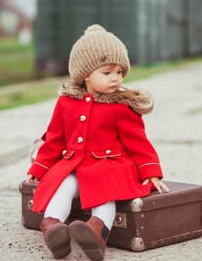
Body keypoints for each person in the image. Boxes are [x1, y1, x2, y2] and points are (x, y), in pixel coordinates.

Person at [27, 24, 169, 261]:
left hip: (110, 165)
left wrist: (151, 171)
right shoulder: (65, 104)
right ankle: (52, 227)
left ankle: (96, 231)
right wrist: (38, 168)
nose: (116, 78)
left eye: (120, 72)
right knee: (63, 186)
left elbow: (139, 143)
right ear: (85, 74)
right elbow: (54, 140)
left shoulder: (121, 106)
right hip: (73, 164)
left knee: (105, 192)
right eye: (107, 72)